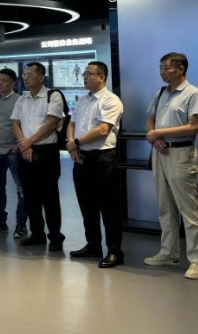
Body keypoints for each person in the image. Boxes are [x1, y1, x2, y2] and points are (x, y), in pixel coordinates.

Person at [143, 52, 198, 279]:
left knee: (189, 209)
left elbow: (193, 127)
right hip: (159, 151)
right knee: (165, 206)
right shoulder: (161, 92)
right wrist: (153, 137)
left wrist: (158, 132)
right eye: (160, 67)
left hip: (181, 153)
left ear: (180, 69)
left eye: (166, 68)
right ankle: (169, 253)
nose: (162, 72)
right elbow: (150, 118)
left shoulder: (193, 93)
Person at [65, 61, 125, 268]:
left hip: (102, 158)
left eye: (89, 74)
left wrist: (76, 142)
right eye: (84, 73)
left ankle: (115, 251)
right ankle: (93, 246)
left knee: (109, 208)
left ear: (101, 77)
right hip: (81, 157)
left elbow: (103, 130)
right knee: (86, 206)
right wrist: (72, 145)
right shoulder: (83, 100)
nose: (85, 77)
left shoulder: (111, 100)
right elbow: (72, 123)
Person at [11, 62, 66, 251]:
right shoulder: (22, 99)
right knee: (30, 195)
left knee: (49, 196)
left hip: (46, 152)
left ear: (41, 77)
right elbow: (16, 123)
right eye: (24, 75)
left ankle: (55, 237)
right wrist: (23, 143)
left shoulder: (53, 96)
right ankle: (37, 233)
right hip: (25, 151)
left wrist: (29, 142)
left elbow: (52, 123)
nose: (25, 78)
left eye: (30, 74)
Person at [0, 68, 28, 239]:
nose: (0, 83)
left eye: (3, 81)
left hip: (13, 151)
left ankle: (21, 222)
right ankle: (0, 221)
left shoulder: (20, 100)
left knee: (21, 188)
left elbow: (24, 125)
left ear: (13, 83)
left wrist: (18, 145)